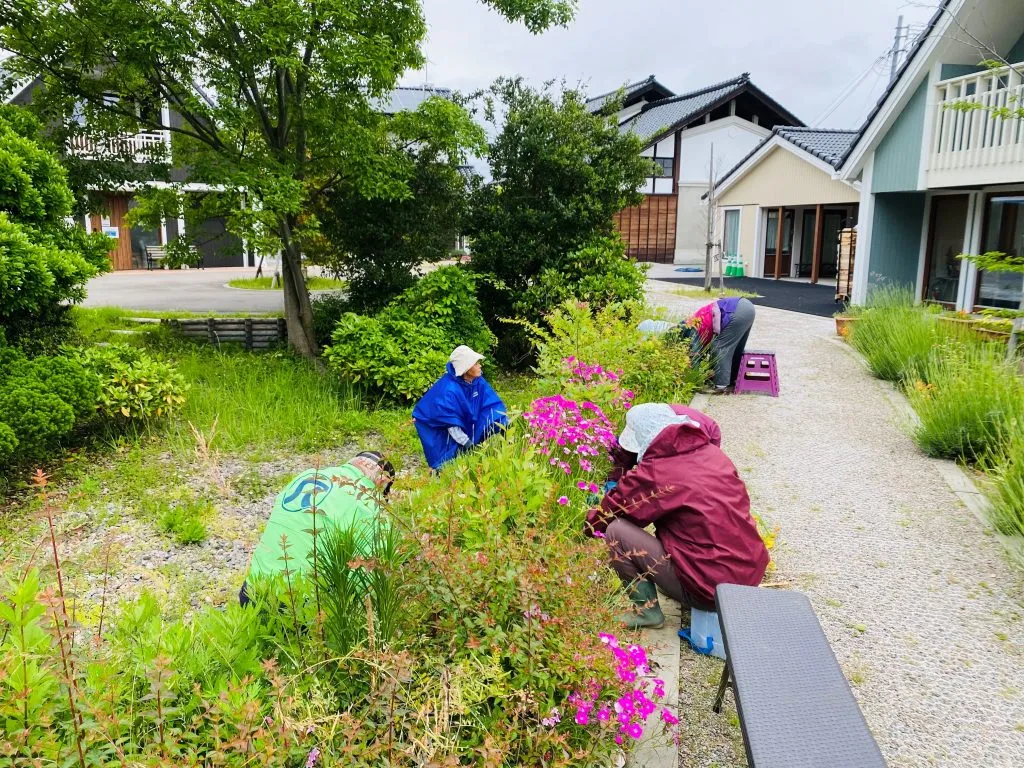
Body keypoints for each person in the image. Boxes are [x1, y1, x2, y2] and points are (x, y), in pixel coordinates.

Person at [586, 403, 768, 629]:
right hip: (747, 576)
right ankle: (680, 584)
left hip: (711, 590)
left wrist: (583, 525)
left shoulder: (656, 471)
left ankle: (647, 612)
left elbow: (609, 515)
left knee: (617, 531)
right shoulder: (712, 454)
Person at [239, 451, 394, 606]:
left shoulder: (308, 475)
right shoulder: (370, 504)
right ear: (382, 481)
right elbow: (365, 576)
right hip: (297, 606)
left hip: (251, 591)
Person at [412, 345, 508, 470]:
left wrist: (504, 423)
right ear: (466, 369)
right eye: (476, 364)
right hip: (435, 424)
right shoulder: (449, 390)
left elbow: (491, 405)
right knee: (448, 456)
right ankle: (442, 473)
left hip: (464, 417)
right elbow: (451, 425)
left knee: (484, 419)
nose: (480, 366)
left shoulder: (478, 381)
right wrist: (469, 445)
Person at [683, 297, 756, 393]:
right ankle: (732, 379)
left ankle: (721, 386)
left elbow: (695, 356)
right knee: (735, 349)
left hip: (735, 310)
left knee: (719, 347)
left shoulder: (689, 328)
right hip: (747, 307)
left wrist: (696, 381)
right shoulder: (695, 319)